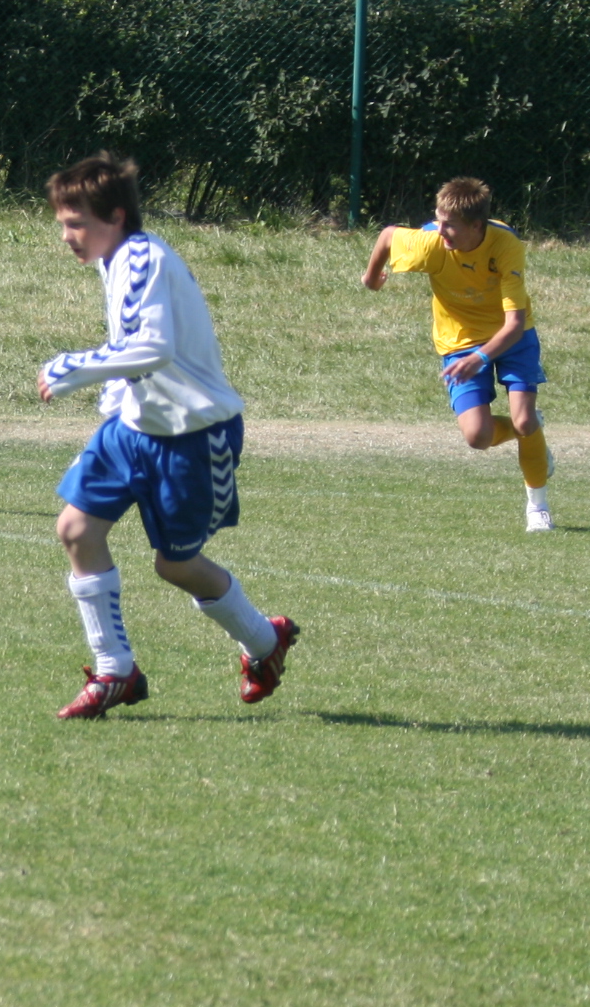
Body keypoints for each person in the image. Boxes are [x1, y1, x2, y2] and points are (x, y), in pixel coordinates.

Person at [37, 152, 298, 718]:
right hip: (132, 428)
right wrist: (113, 402)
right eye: (62, 223)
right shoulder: (114, 259)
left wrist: (71, 367)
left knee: (174, 565)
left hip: (194, 437)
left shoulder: (142, 257)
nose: (66, 236)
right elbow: (130, 349)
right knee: (76, 529)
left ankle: (263, 640)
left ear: (115, 216)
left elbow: (154, 348)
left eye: (75, 223)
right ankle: (115, 671)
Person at [360, 176, 555, 531]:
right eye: (438, 221)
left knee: (524, 421)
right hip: (460, 340)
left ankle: (537, 507)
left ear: (476, 226)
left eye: (449, 225)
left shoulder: (505, 245)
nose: (441, 230)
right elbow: (388, 235)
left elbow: (514, 325)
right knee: (477, 437)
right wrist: (371, 277)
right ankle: (532, 433)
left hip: (512, 336)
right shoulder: (431, 243)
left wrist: (480, 358)